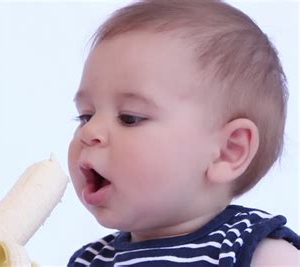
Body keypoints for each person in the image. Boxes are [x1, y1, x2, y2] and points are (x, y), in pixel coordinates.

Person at [66, 0, 299, 266]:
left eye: (130, 118)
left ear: (227, 151)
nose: (90, 131)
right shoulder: (91, 261)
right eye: (85, 116)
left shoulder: (252, 250)